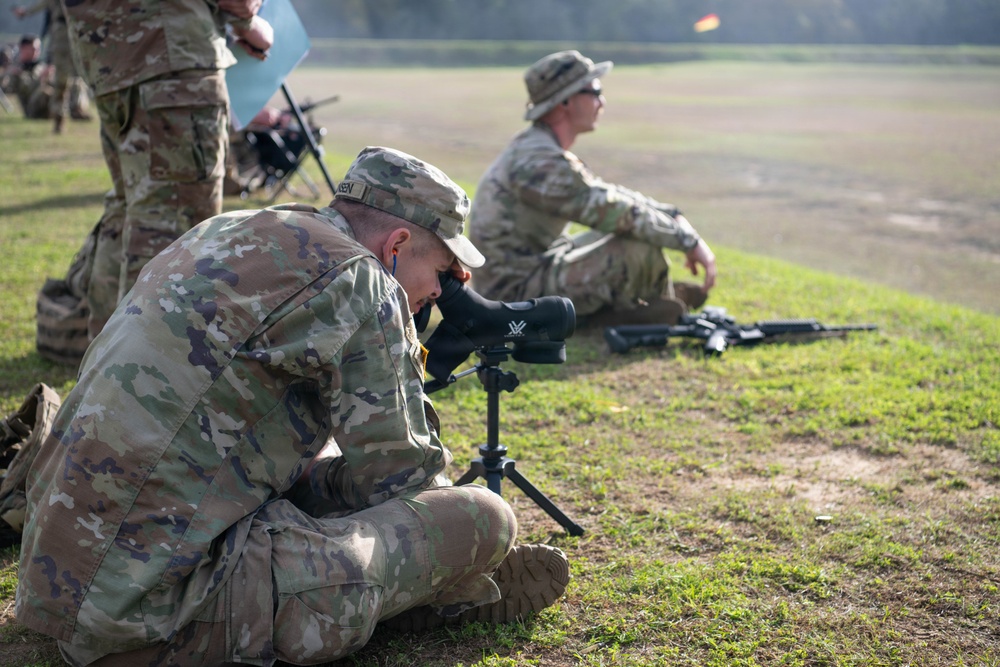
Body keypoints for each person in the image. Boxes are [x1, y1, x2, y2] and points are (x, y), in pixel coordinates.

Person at [16, 146, 569, 666]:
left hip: (57, 581)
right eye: (446, 274)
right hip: (147, 619)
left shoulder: (223, 230)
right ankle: (436, 589)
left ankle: (424, 583)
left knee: (325, 479)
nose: (443, 293)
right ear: (396, 246)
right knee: (481, 516)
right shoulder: (361, 280)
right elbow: (403, 480)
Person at [59, 0, 275, 341]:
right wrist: (248, 20)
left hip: (109, 57)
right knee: (174, 230)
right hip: (172, 56)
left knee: (128, 212)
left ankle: (102, 372)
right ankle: (132, 382)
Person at [469, 50, 718, 326]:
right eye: (595, 91)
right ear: (566, 101)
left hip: (533, 267)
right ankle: (625, 314)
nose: (602, 101)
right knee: (637, 249)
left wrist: (671, 213)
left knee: (630, 232)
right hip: (512, 296)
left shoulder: (538, 147)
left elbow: (606, 194)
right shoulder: (539, 162)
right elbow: (619, 212)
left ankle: (645, 304)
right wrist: (688, 241)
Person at [12, 0, 92, 132]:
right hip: (70, 30)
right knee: (63, 79)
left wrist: (26, 12)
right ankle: (60, 119)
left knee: (76, 77)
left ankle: (73, 112)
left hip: (78, 28)